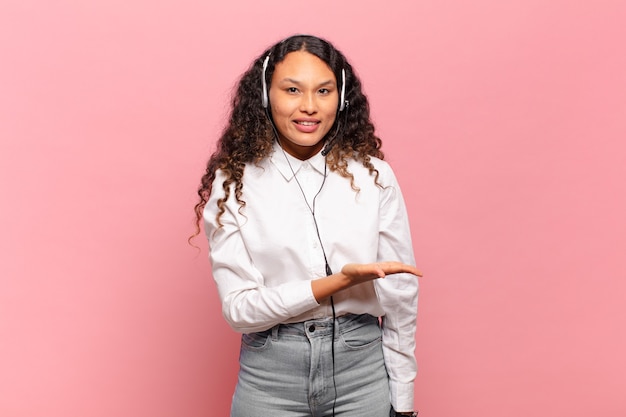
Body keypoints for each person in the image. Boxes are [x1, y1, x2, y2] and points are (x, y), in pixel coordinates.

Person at [192, 34, 421, 417]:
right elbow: (239, 310)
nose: (309, 107)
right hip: (270, 376)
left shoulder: (374, 176)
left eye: (324, 91)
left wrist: (403, 397)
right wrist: (335, 283)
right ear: (266, 96)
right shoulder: (233, 182)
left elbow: (401, 299)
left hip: (362, 373)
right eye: (293, 90)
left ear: (342, 96)